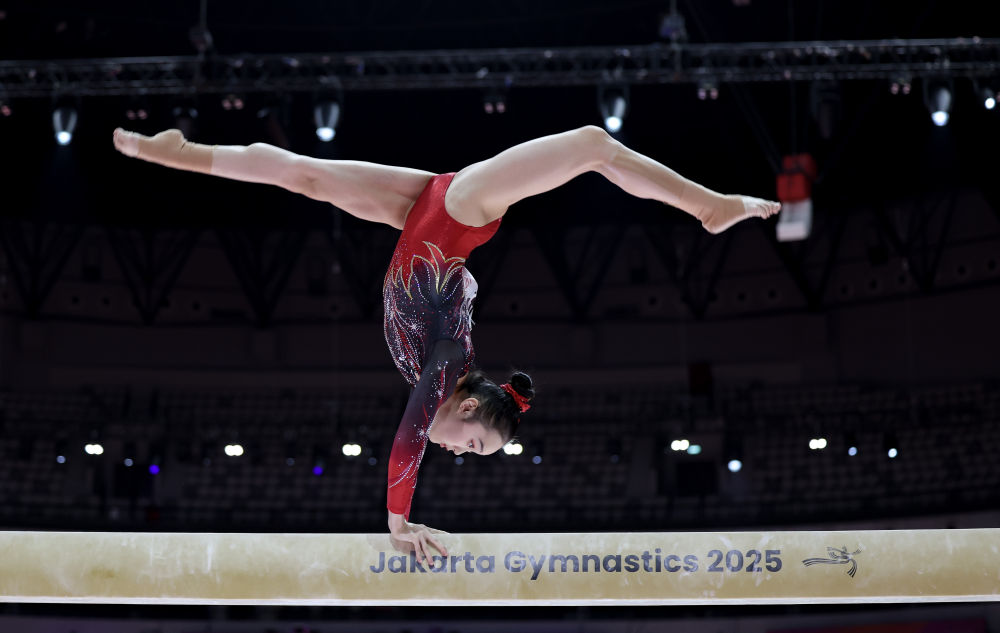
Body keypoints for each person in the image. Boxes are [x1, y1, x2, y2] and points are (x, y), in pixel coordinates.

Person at [112, 124, 780, 563]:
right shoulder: (447, 364)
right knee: (593, 144)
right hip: (460, 211)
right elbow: (410, 434)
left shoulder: (436, 367)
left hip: (423, 210)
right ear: (465, 408)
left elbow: (453, 313)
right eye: (474, 444)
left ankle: (175, 151)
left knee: (302, 174)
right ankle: (710, 207)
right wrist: (398, 522)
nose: (459, 453)